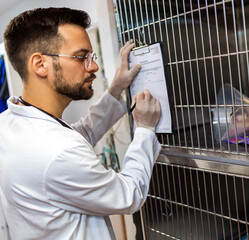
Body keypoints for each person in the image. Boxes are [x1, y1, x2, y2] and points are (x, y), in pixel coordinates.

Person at [0, 7, 161, 240]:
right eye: (80, 57)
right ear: (39, 64)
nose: (93, 66)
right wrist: (145, 130)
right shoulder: (58, 150)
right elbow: (129, 195)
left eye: (91, 57)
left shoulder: (8, 124)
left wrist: (115, 90)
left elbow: (78, 134)